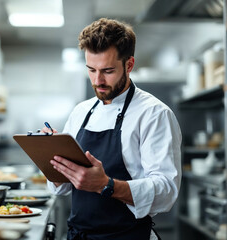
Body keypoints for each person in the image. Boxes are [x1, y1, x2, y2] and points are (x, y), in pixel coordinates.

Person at [43, 18, 181, 240]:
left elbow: (166, 192)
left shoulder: (154, 114)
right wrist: (53, 161)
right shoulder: (81, 112)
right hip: (79, 235)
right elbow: (61, 188)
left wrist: (105, 185)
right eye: (91, 70)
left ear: (129, 64)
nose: (98, 80)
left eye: (107, 70)